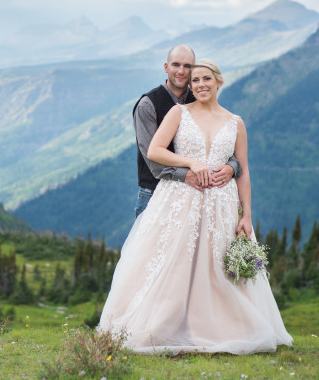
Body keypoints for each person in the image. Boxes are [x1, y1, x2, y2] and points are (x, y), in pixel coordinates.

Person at [99, 59, 292, 355]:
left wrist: (247, 215)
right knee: (173, 264)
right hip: (179, 198)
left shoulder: (235, 122)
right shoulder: (179, 113)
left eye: (206, 79)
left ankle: (218, 327)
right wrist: (190, 161)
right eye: (195, 81)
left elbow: (244, 169)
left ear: (219, 81)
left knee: (216, 269)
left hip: (222, 205)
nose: (200, 85)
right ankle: (165, 324)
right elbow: (155, 150)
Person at [132, 45, 240, 218]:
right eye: (176, 65)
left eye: (188, 66)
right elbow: (152, 160)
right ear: (166, 67)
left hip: (193, 196)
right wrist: (186, 175)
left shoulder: (199, 98)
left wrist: (232, 167)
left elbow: (221, 143)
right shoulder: (148, 104)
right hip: (153, 193)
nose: (181, 71)